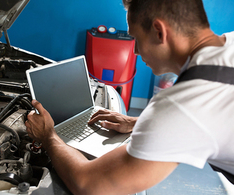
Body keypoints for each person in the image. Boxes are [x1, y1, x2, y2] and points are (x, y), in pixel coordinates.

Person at [25, 0, 234, 194]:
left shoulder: (183, 104)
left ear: (159, 31)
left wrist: (49, 136)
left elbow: (90, 185)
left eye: (135, 38)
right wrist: (138, 122)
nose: (134, 50)